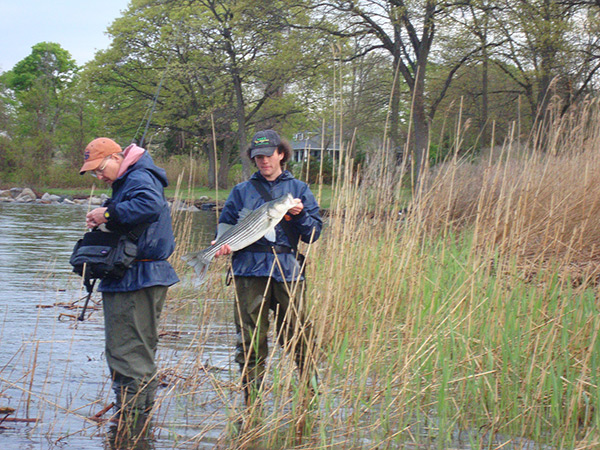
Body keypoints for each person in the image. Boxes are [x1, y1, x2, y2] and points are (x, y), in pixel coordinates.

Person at [214, 130, 323, 404]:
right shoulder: (240, 191)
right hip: (248, 272)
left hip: (288, 272)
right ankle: (252, 400)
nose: (264, 161)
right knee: (250, 339)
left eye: (268, 155)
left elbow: (312, 235)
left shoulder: (298, 190)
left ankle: (309, 393)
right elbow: (225, 226)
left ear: (281, 154)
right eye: (258, 156)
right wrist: (221, 242)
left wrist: (299, 218)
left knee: (298, 335)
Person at [79, 137, 179, 423]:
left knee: (125, 351)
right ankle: (138, 420)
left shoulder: (138, 177)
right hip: (142, 275)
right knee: (139, 350)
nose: (98, 176)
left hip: (137, 277)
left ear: (116, 158)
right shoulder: (134, 177)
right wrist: (105, 219)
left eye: (99, 169)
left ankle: (131, 422)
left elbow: (150, 205)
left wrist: (107, 212)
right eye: (93, 173)